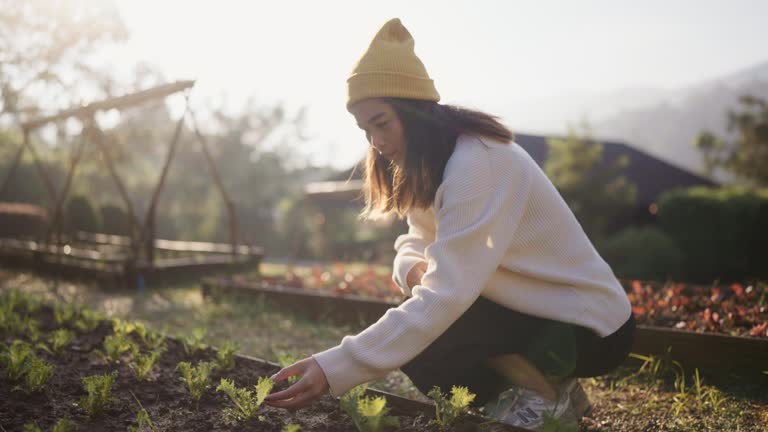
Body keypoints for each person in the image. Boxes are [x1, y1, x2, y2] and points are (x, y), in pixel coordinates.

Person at [264, 17, 635, 431]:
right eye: (365, 128)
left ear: (415, 111)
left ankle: (548, 403)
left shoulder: (478, 163)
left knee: (426, 337)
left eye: (381, 123)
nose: (375, 142)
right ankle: (550, 392)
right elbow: (415, 240)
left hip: (591, 326)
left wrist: (334, 367)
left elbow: (446, 295)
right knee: (421, 335)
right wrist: (412, 269)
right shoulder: (426, 165)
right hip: (538, 312)